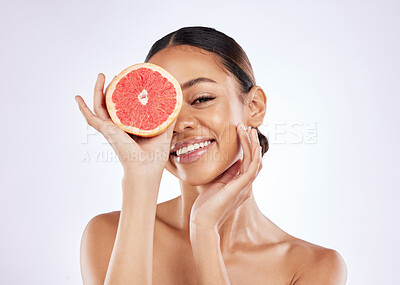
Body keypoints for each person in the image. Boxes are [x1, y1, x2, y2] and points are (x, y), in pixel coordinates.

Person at [75, 26, 347, 285]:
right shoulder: (107, 235)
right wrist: (141, 177)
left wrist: (205, 233)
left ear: (254, 107)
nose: (180, 124)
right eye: (165, 108)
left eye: (202, 99)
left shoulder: (313, 266)